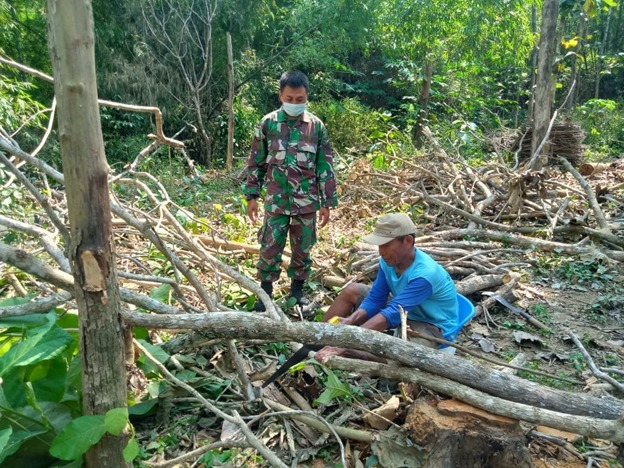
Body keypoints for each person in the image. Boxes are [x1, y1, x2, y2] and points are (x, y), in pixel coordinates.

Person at [245, 71, 338, 311]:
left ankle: (297, 292)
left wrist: (328, 202)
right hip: (276, 201)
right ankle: (265, 295)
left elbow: (324, 165)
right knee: (269, 247)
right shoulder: (268, 124)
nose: (294, 103)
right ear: (280, 96)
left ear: (306, 97)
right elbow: (256, 162)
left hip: (306, 204)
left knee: (302, 249)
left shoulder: (316, 127)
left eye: (300, 99)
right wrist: (252, 196)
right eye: (290, 98)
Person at [315, 213, 458, 362]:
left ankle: (351, 352)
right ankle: (316, 339)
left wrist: (351, 340)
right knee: (352, 290)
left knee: (402, 356)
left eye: (386, 245)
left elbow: (392, 313)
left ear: (408, 241)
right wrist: (351, 320)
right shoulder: (388, 261)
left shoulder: (425, 274)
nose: (381, 251)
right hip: (405, 310)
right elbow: (376, 299)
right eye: (379, 245)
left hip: (430, 324)